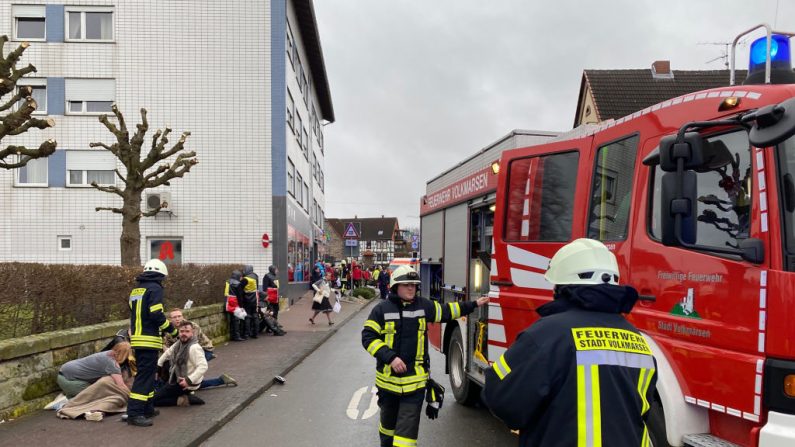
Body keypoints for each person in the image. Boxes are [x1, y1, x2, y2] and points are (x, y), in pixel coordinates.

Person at [481, 238, 657, 446]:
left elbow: (502, 399)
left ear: (562, 286)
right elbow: (640, 412)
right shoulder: (638, 341)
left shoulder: (546, 335)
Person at [361, 265, 488, 447]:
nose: (412, 288)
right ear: (396, 286)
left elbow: (447, 311)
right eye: (407, 284)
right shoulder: (381, 311)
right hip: (387, 387)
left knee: (404, 441)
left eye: (414, 284)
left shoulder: (423, 306)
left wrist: (474, 304)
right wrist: (390, 357)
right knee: (387, 432)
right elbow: (368, 337)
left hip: (415, 387)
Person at [126, 259, 178, 427]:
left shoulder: (137, 289)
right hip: (148, 339)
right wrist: (172, 330)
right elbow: (156, 314)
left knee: (148, 376)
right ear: (160, 274)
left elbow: (134, 311)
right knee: (144, 377)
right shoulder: (155, 288)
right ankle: (134, 413)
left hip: (138, 339)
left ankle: (147, 408)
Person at [163, 309, 237, 387]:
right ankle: (221, 380)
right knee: (188, 381)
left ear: (182, 316)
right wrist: (165, 348)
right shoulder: (169, 329)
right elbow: (166, 344)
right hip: (185, 352)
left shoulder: (192, 326)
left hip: (204, 349)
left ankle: (218, 381)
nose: (177, 319)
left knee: (190, 379)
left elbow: (190, 346)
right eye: (174, 317)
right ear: (170, 319)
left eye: (179, 316)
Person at [153, 321, 208, 407]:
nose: (184, 334)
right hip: (175, 379)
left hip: (185, 383)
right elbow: (167, 353)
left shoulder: (194, 347)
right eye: (182, 331)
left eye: (187, 331)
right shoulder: (178, 344)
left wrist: (188, 380)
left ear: (192, 333)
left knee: (153, 401)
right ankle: (179, 396)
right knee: (157, 395)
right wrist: (158, 367)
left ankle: (186, 400)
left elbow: (203, 366)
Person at [57, 342, 132, 399]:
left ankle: (69, 396)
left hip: (64, 372)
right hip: (68, 380)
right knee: (96, 396)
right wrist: (133, 399)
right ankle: (66, 401)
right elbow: (121, 385)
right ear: (124, 355)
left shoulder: (107, 353)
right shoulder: (112, 364)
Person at [225, 270, 246, 341]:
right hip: (235, 302)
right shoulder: (238, 284)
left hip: (228, 301)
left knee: (231, 319)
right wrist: (241, 306)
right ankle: (237, 336)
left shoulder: (228, 281)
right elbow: (240, 296)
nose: (241, 278)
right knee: (236, 320)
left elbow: (226, 292)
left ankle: (231, 335)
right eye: (240, 277)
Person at [242, 265, 260, 339]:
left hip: (247, 299)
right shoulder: (256, 276)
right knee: (255, 316)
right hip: (255, 298)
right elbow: (257, 287)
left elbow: (241, 288)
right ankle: (255, 333)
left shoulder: (245, 279)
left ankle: (246, 334)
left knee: (247, 316)